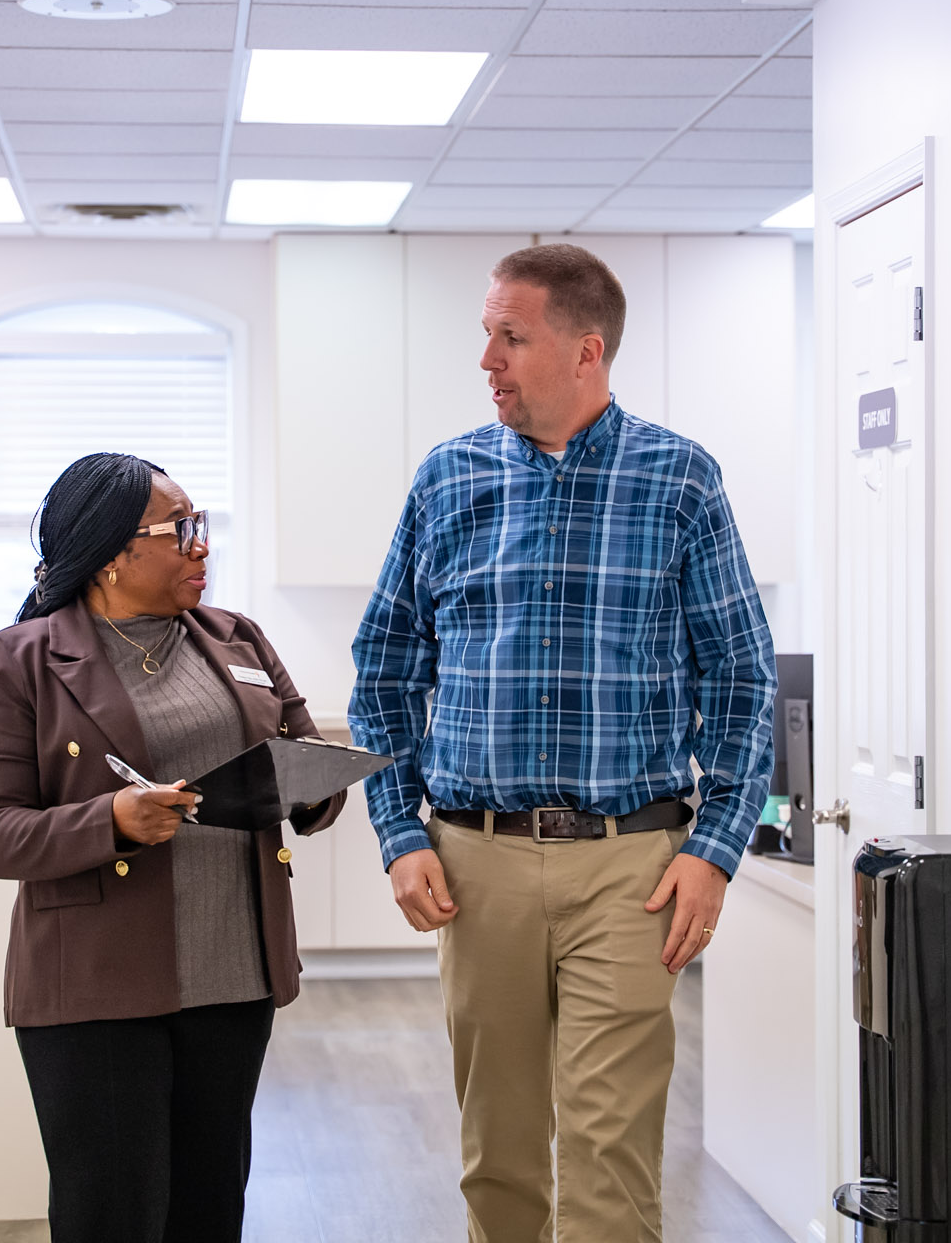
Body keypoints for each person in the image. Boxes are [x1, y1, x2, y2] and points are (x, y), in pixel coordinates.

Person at [348, 244, 777, 1243]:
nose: (487, 359)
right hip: (471, 859)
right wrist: (397, 833)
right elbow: (382, 670)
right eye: (486, 335)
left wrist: (713, 851)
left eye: (511, 336)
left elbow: (744, 678)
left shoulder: (677, 478)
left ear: (586, 351)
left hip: (631, 867)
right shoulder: (447, 478)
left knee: (608, 1153)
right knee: (494, 1152)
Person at [0, 452, 343, 1243]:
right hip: (97, 989)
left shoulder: (238, 637)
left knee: (209, 1213)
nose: (201, 546)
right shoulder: (24, 657)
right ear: (110, 552)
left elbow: (308, 756)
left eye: (199, 527)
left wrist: (312, 790)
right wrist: (112, 821)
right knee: (113, 1217)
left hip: (234, 978)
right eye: (181, 530)